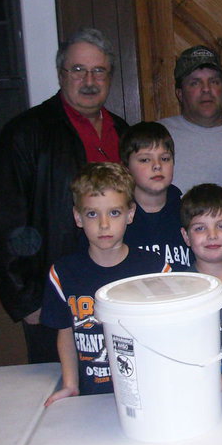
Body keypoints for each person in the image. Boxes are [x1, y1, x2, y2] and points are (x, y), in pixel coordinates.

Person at [0, 27, 130, 364]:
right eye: (78, 70)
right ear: (61, 74)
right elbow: (5, 222)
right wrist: (27, 300)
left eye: (99, 70)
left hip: (116, 288)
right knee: (61, 390)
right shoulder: (26, 134)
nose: (89, 80)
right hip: (55, 295)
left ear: (110, 76)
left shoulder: (123, 133)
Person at [41, 163, 171, 405]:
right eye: (92, 214)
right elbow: (66, 332)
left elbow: (169, 334)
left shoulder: (156, 270)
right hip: (91, 396)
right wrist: (70, 384)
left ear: (130, 214)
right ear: (78, 217)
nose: (103, 224)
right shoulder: (63, 273)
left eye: (114, 213)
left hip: (148, 393)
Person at [180, 184, 222, 392]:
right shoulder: (179, 292)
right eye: (200, 228)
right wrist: (221, 382)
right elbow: (174, 359)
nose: (212, 235)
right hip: (201, 398)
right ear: (186, 236)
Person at [159, 45, 222, 192]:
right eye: (195, 83)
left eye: (214, 82)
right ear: (179, 93)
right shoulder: (156, 135)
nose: (206, 89)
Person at [120, 122, 190, 268]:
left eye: (165, 158)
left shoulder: (190, 211)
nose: (157, 165)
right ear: (126, 168)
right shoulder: (115, 219)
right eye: (145, 160)